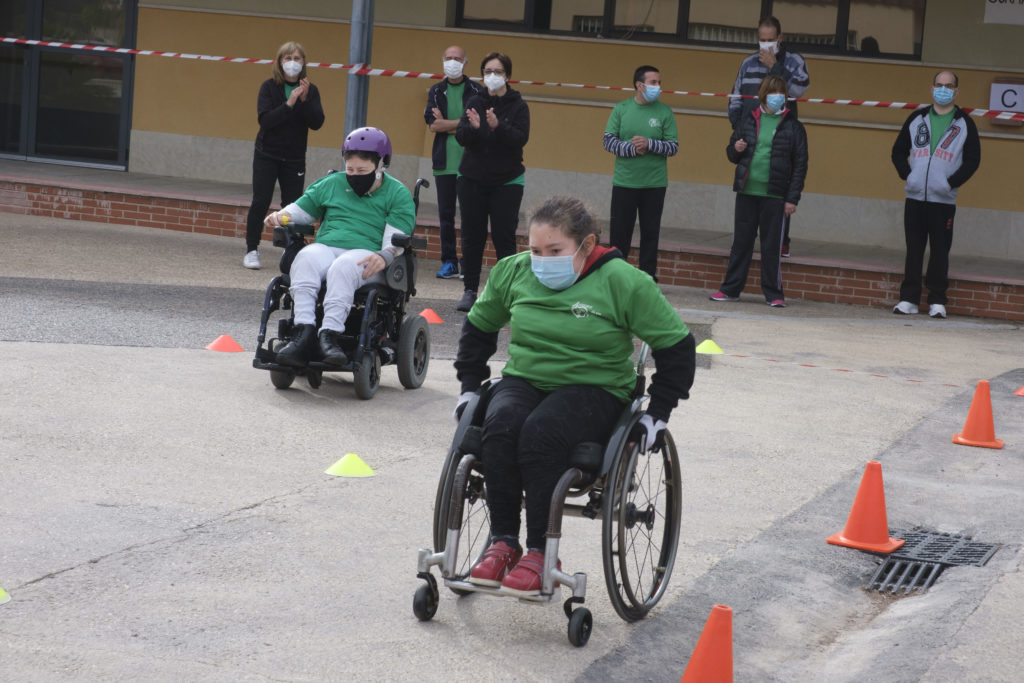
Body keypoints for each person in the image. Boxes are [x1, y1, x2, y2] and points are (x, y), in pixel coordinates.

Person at [453, 196, 696, 595]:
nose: (542, 260)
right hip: (527, 377)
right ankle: (502, 542)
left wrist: (659, 411)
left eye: (555, 251)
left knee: (541, 432)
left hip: (595, 386)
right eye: (535, 250)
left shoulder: (624, 282)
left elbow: (676, 346)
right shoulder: (512, 272)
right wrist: (468, 386)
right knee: (500, 425)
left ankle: (539, 552)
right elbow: (479, 329)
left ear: (586, 245)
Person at [264, 127, 415, 367]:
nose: (354, 175)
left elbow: (396, 237)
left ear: (381, 164)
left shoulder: (397, 193)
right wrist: (281, 216)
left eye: (362, 171)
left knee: (344, 266)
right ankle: (303, 333)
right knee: (304, 258)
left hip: (368, 254)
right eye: (350, 169)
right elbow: (302, 209)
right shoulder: (332, 183)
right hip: (328, 246)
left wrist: (386, 256)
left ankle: (329, 337)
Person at [711, 75, 808, 308]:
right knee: (741, 244)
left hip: (775, 195)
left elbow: (800, 166)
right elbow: (731, 153)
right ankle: (731, 289)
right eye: (773, 92)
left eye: (781, 92)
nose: (778, 97)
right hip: (747, 191)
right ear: (763, 96)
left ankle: (774, 294)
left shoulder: (793, 126)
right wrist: (736, 148)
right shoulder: (748, 120)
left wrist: (792, 198)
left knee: (771, 247)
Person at [890, 71, 981, 319]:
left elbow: (973, 160)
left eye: (949, 86)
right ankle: (908, 299)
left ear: (956, 91)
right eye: (939, 85)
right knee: (914, 250)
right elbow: (898, 152)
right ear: (931, 89)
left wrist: (951, 183)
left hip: (943, 200)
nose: (943, 90)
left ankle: (938, 301)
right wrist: (908, 175)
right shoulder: (917, 117)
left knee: (940, 250)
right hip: (915, 197)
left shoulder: (964, 123)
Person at [454, 52, 530, 312]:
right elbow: (461, 137)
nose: (492, 77)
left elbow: (520, 139)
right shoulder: (475, 100)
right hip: (472, 179)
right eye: (487, 71)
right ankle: (470, 290)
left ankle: (507, 292)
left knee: (503, 237)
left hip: (507, 181)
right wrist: (474, 128)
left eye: (497, 72)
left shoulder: (518, 105)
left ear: (507, 76)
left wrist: (498, 126)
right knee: (472, 236)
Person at [728, 16, 809, 258]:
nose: (765, 45)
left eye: (770, 40)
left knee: (778, 185)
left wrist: (775, 65)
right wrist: (739, 128)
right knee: (749, 185)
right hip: (750, 135)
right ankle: (744, 242)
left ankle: (780, 242)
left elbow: (799, 90)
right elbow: (735, 97)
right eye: (761, 40)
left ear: (780, 38)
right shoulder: (748, 63)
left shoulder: (794, 61)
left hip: (782, 136)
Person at [243, 41, 325, 270]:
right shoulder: (269, 88)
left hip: (295, 157)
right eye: (288, 58)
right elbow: (266, 121)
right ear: (280, 62)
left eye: (297, 58)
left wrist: (305, 100)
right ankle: (251, 249)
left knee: (292, 205)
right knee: (260, 201)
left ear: (304, 63)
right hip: (266, 154)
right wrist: (289, 103)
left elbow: (317, 122)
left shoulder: (311, 90)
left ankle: (290, 252)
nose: (292, 63)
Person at [603, 65, 678, 279]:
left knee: (650, 235)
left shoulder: (665, 112)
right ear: (639, 85)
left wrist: (650, 144)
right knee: (619, 235)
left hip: (654, 184)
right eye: (653, 82)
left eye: (659, 83)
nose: (658, 87)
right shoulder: (621, 109)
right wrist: (631, 148)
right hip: (625, 183)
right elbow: (608, 141)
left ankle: (647, 278)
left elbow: (673, 146)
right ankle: (616, 277)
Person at [424, 45, 485, 280]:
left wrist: (447, 123)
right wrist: (460, 123)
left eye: (457, 58)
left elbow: (475, 125)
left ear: (465, 62)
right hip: (444, 163)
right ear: (442, 61)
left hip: (471, 163)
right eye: (448, 58)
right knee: (446, 216)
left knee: (471, 215)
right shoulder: (437, 91)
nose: (452, 62)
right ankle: (449, 261)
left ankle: (468, 263)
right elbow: (433, 125)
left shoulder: (476, 90)